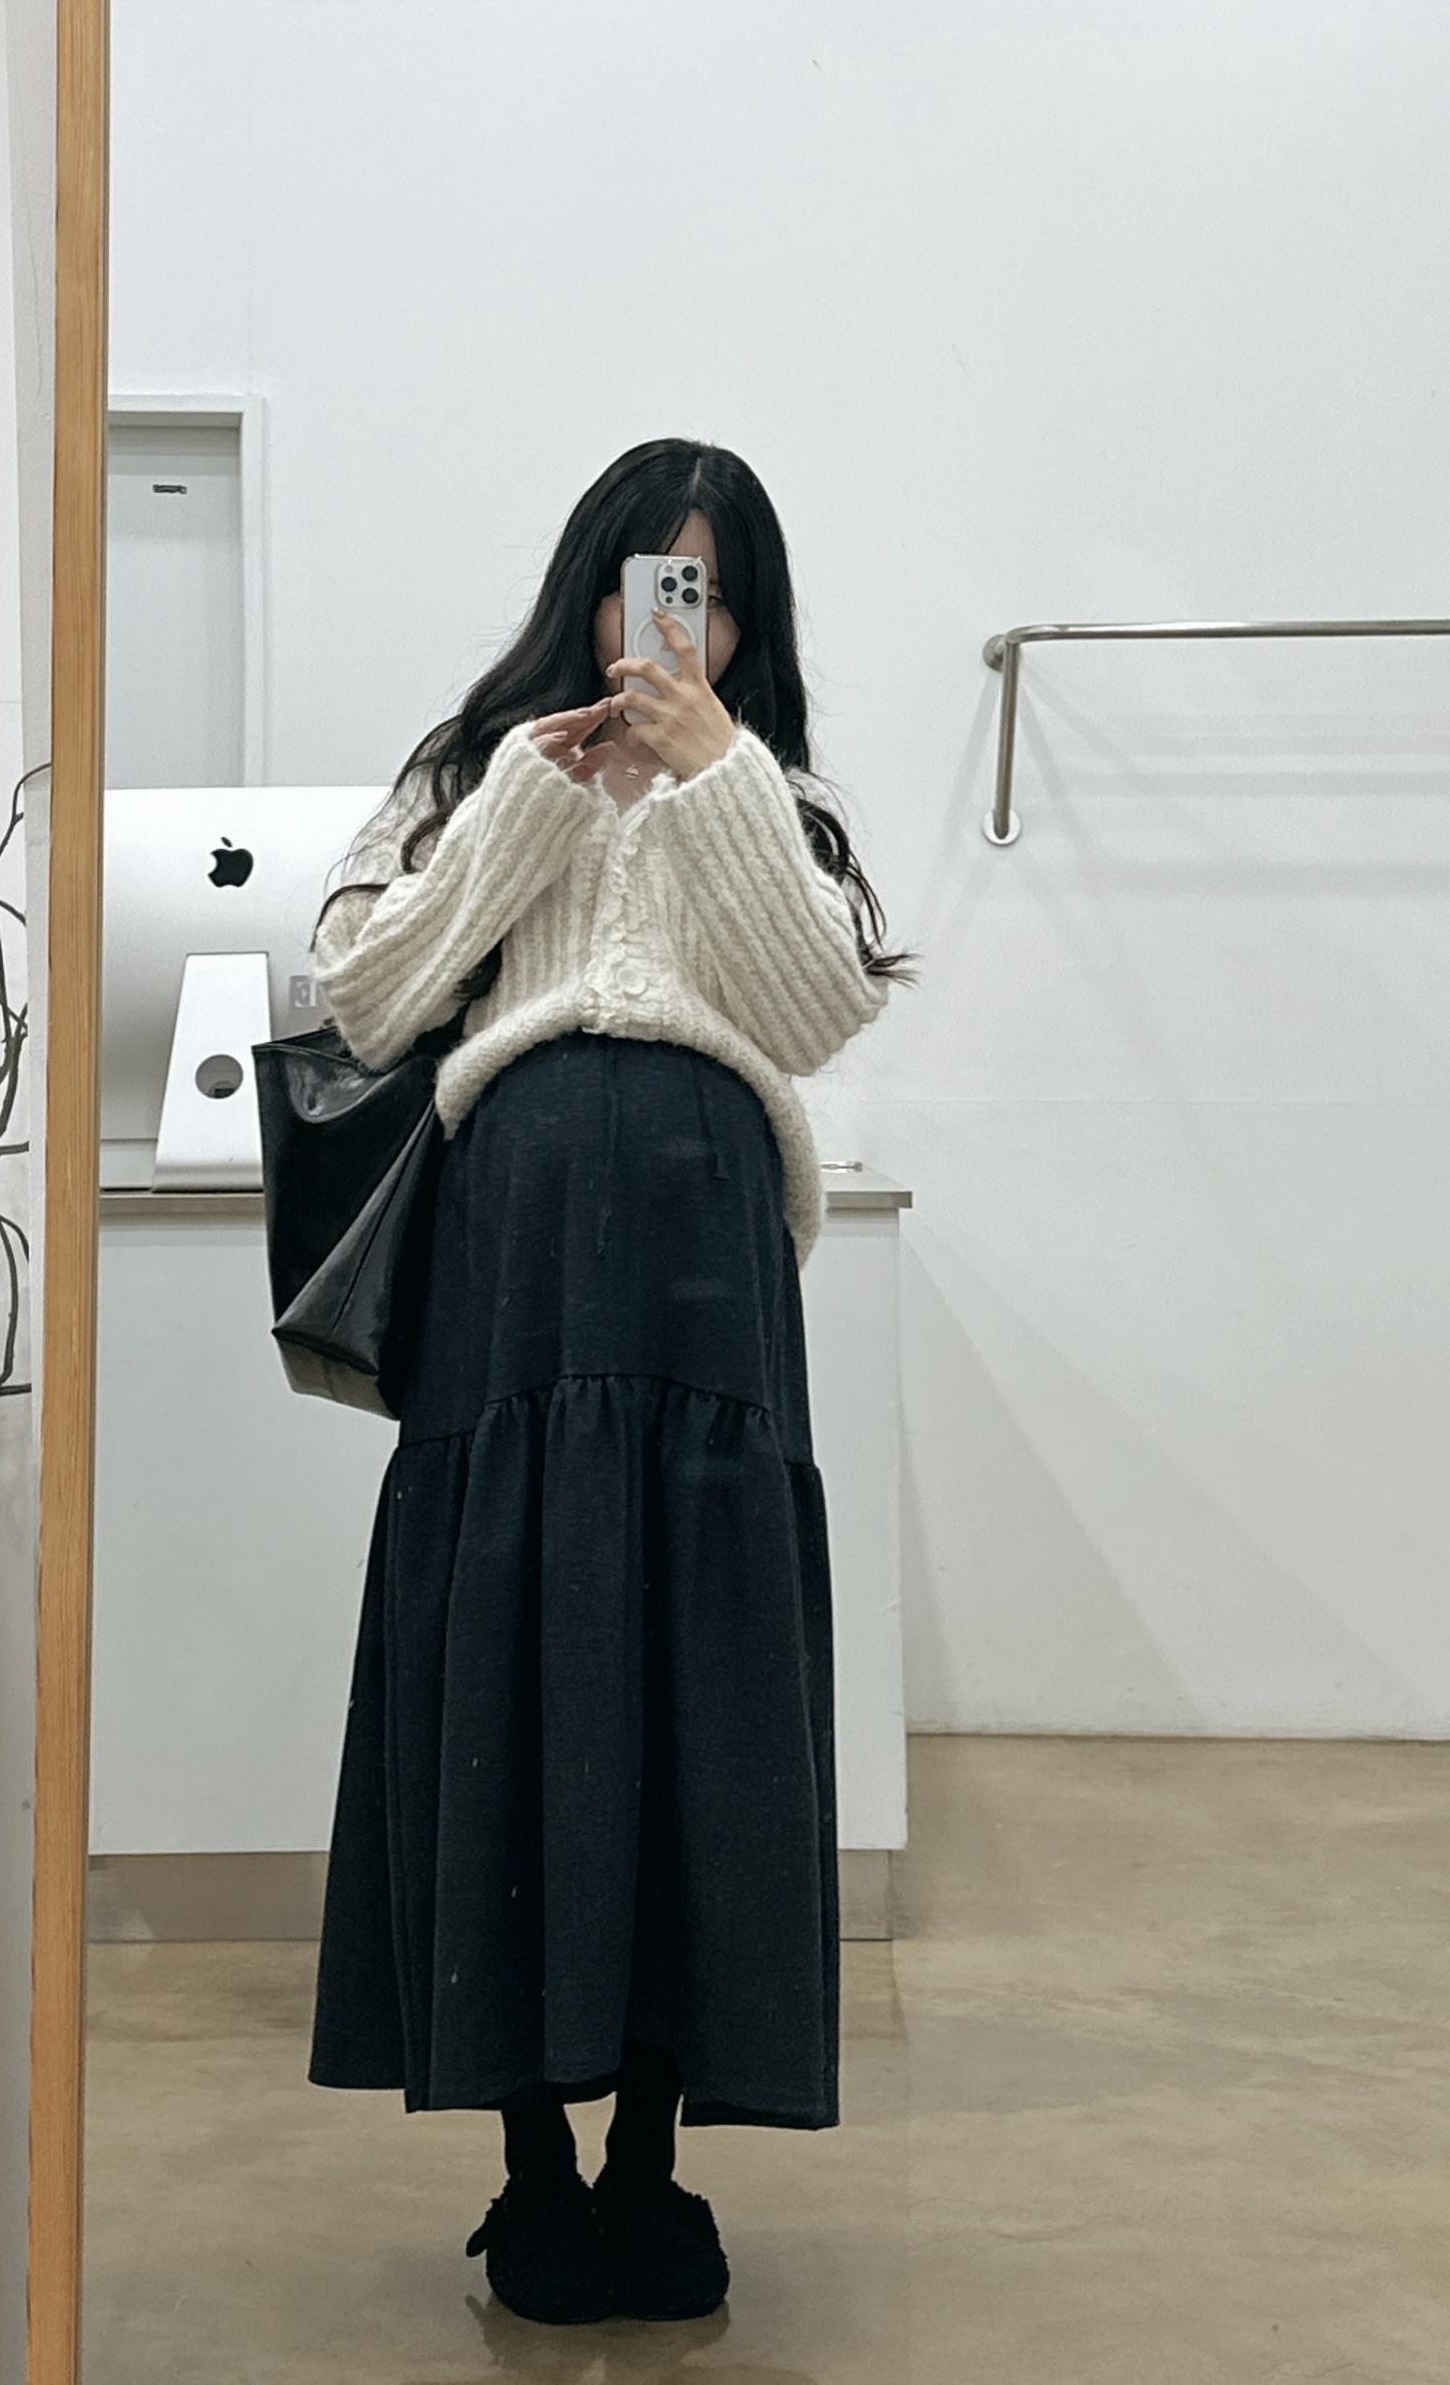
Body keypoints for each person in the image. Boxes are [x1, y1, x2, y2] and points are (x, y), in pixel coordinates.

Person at [302, 436, 918, 2325]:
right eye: (650, 578)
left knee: (694, 1676)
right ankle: (529, 2169)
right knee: (517, 1648)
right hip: (513, 1261)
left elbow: (817, 1010)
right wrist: (525, 801)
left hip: (709, 1268)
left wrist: (718, 779)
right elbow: (367, 996)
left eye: (708, 593)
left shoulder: (776, 795)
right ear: (588, 587)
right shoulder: (470, 771)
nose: (675, 622)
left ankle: (651, 2160)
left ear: (743, 624)